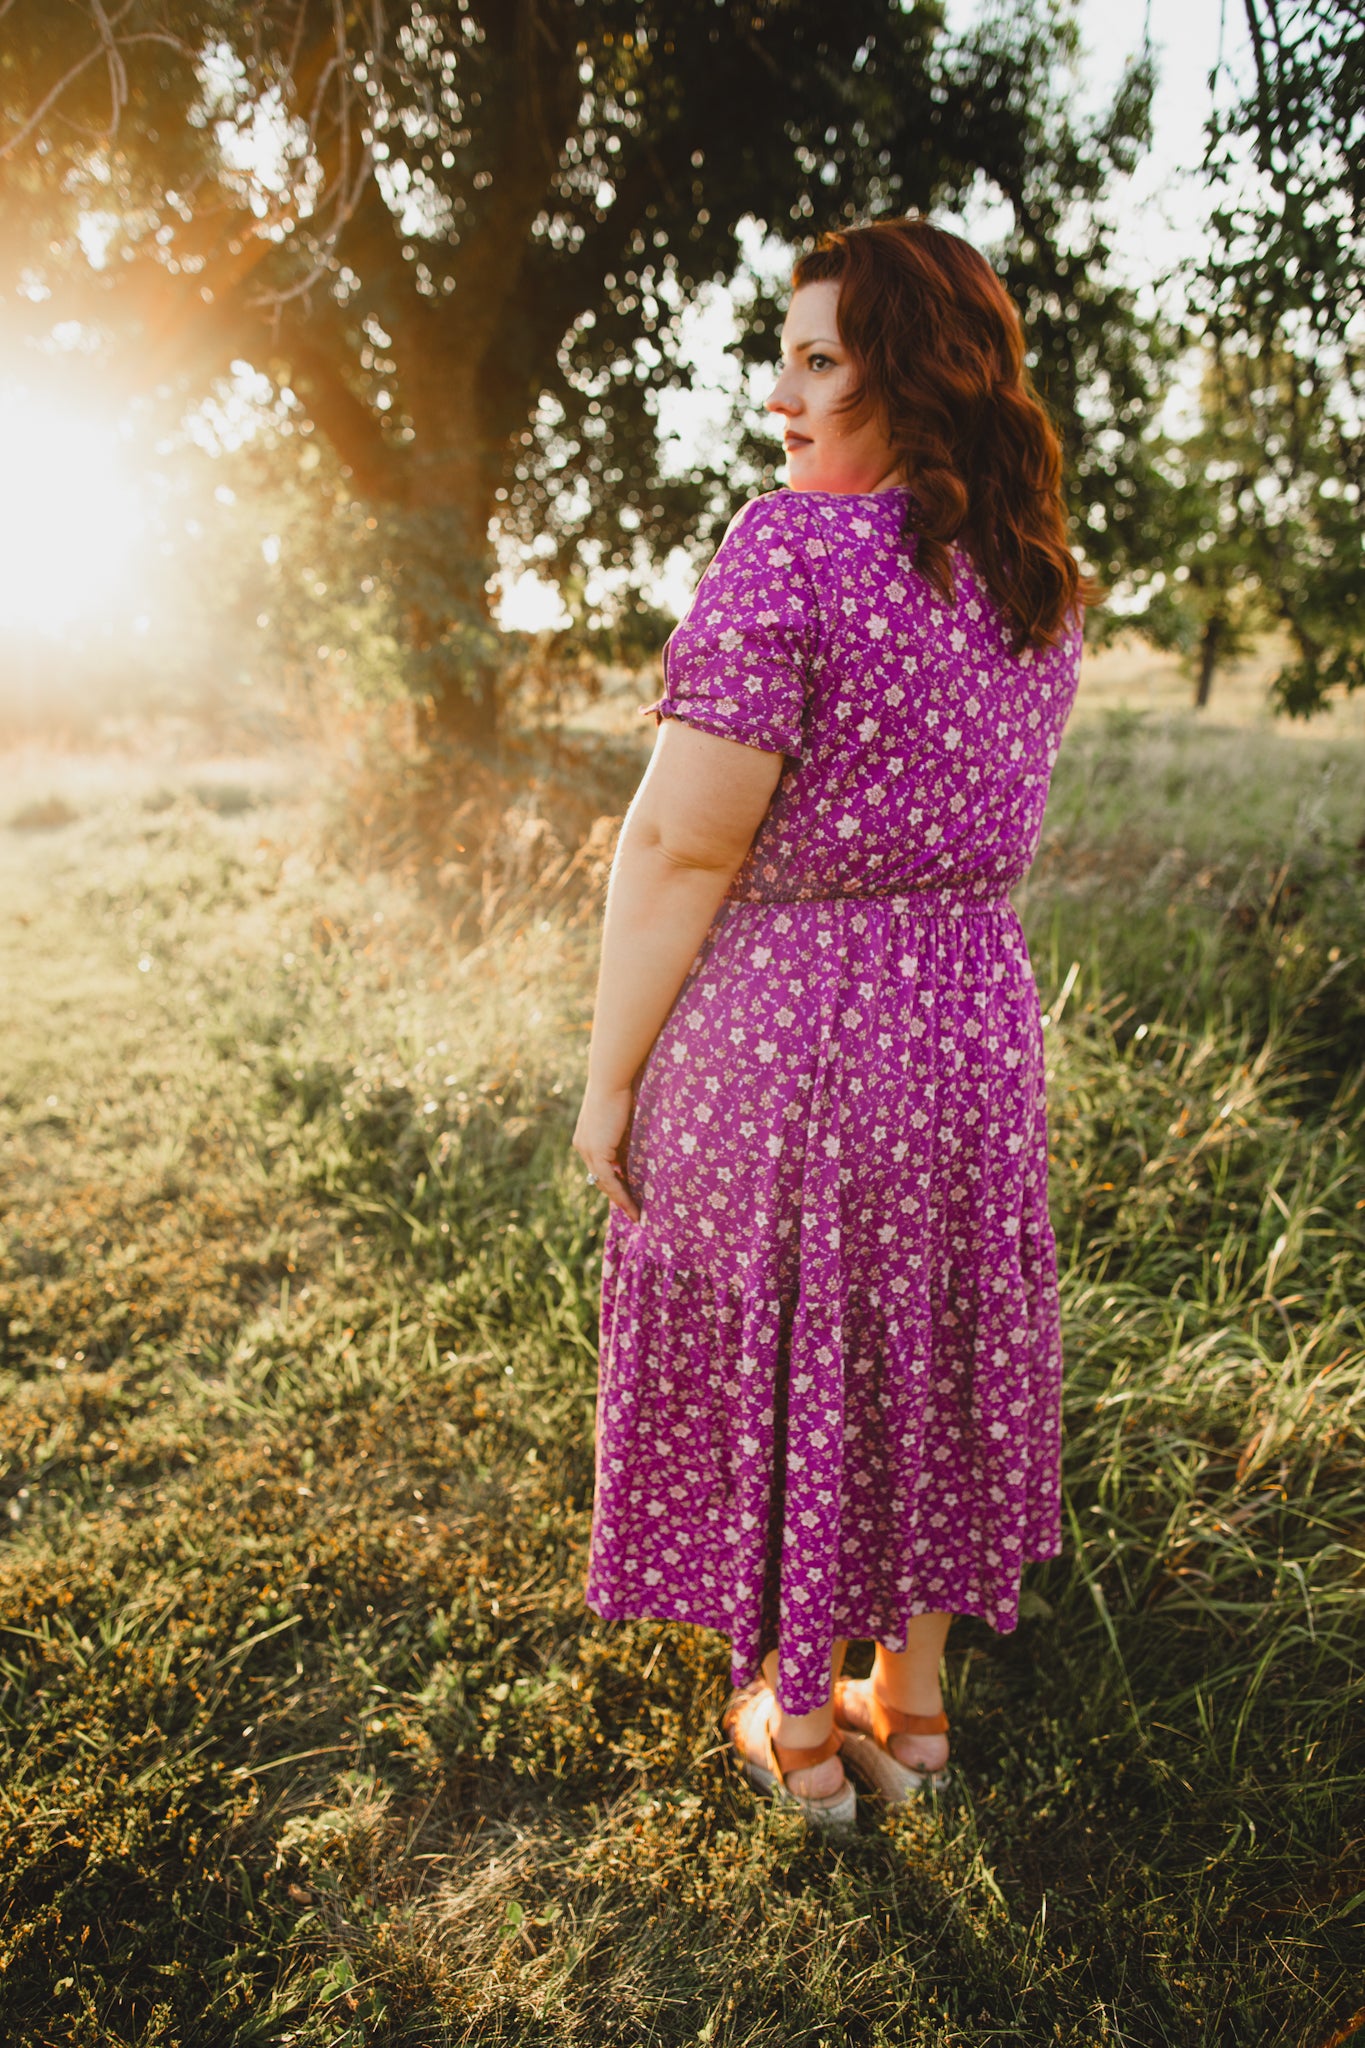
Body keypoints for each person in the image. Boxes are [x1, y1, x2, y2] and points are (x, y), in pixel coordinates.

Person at [572, 214, 1093, 1830]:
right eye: (781, 359)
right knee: (933, 1352)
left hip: (794, 1038)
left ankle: (802, 1740)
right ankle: (912, 1714)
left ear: (910, 382)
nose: (778, 399)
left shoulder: (791, 552)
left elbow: (679, 843)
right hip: (969, 1031)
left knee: (798, 1356)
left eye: (816, 365)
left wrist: (606, 1087)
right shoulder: (1032, 581)